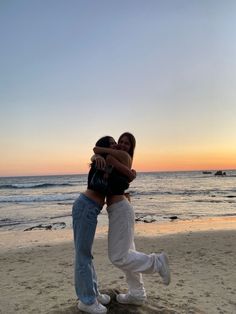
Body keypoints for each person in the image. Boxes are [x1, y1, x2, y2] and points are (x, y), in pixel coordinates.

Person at [93, 132, 171, 306]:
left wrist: (100, 154)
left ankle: (157, 262)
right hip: (119, 209)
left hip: (120, 210)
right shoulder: (119, 157)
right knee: (129, 253)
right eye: (120, 141)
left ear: (131, 148)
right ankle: (137, 294)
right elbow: (100, 156)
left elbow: (98, 150)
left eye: (126, 143)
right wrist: (98, 156)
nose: (122, 145)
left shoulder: (120, 157)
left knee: (118, 257)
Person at [72, 135, 135, 314]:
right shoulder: (101, 159)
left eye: (117, 143)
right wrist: (96, 156)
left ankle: (93, 293)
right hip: (85, 206)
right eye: (112, 144)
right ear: (104, 147)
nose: (116, 146)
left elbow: (120, 181)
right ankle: (86, 301)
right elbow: (96, 153)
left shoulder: (110, 161)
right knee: (82, 256)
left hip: (91, 209)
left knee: (86, 255)